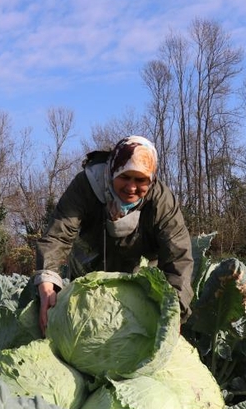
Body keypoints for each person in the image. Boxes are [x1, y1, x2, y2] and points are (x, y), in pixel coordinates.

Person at [34, 135, 194, 334]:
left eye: (140, 180)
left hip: (139, 282)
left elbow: (178, 255)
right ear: (112, 171)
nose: (131, 187)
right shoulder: (86, 185)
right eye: (125, 177)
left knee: (131, 329)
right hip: (88, 273)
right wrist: (48, 282)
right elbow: (57, 236)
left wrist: (175, 309)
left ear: (151, 179)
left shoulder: (162, 201)